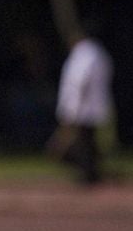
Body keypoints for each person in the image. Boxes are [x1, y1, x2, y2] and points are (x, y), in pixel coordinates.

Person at [46, 27, 114, 186]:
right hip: (93, 106)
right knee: (88, 142)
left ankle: (89, 173)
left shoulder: (85, 54)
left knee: (81, 142)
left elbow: (80, 81)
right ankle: (91, 172)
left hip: (83, 107)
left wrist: (73, 108)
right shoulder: (98, 53)